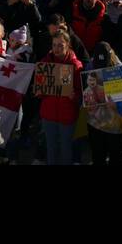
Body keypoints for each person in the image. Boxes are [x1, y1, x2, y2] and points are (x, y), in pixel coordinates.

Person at [35, 29, 82, 165]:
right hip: (48, 115)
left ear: (68, 46)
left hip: (67, 115)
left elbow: (81, 93)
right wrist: (39, 93)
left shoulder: (75, 66)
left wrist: (74, 96)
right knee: (51, 149)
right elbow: (40, 91)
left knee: (66, 149)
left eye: (60, 45)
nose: (56, 48)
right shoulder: (44, 64)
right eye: (54, 45)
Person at [83, 42, 122, 166]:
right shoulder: (90, 67)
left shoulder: (121, 70)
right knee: (98, 158)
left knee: (116, 158)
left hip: (115, 125)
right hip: (95, 123)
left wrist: (118, 107)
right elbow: (85, 91)